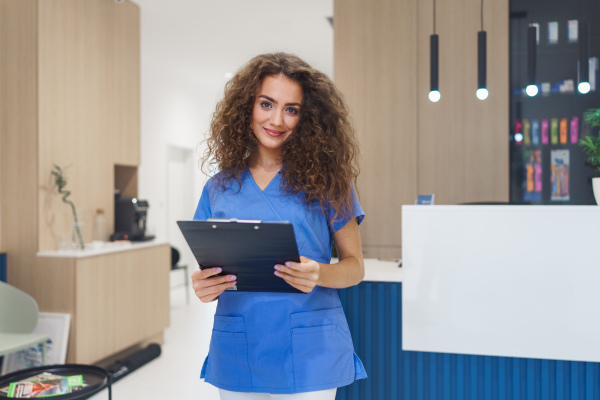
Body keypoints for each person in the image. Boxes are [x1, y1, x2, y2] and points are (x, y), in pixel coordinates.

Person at [191, 52, 366, 400]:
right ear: (246, 108)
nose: (277, 119)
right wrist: (203, 287)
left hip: (309, 346)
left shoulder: (329, 183)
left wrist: (318, 273)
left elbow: (355, 267)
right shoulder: (219, 188)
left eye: (292, 109)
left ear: (308, 118)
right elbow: (210, 271)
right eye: (266, 104)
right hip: (239, 344)